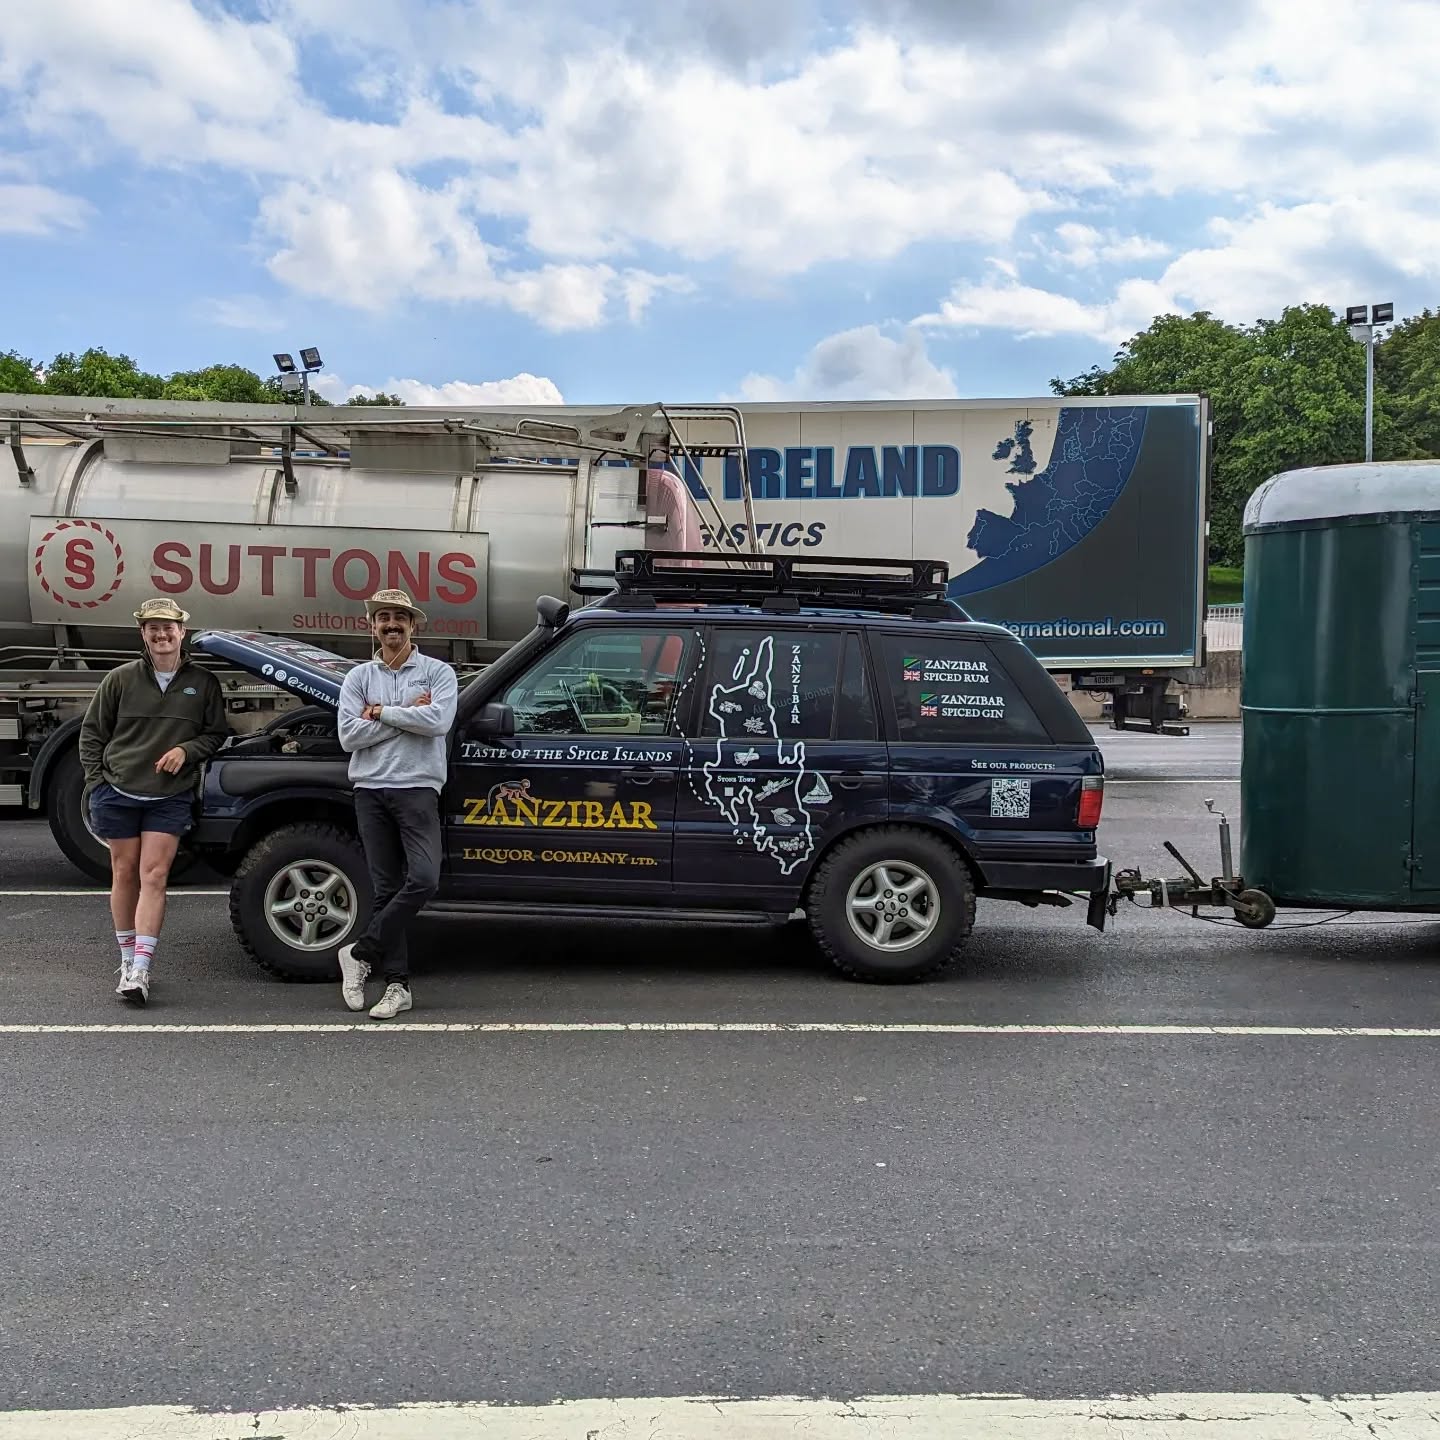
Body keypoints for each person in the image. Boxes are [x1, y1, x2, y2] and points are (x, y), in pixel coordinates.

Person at [78, 598, 229, 1006]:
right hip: (119, 793)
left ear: (182, 632)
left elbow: (216, 734)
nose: (161, 635)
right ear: (143, 634)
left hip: (169, 796)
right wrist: (97, 784)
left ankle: (142, 969)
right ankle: (126, 961)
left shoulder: (204, 682)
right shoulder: (120, 679)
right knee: (124, 873)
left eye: (168, 627)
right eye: (152, 628)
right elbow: (92, 734)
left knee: (155, 875)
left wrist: (187, 750)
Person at [336, 588, 458, 1019]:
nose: (391, 624)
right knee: (386, 889)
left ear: (413, 624)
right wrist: (405, 711)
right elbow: (349, 737)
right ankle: (397, 986)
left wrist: (380, 713)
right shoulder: (357, 678)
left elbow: (438, 721)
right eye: (383, 617)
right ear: (372, 625)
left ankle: (360, 952)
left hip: (417, 787)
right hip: (369, 790)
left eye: (399, 618)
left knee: (424, 878)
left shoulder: (438, 672)